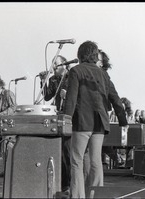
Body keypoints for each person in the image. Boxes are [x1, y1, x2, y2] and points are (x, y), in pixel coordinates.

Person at [63, 41, 128, 198]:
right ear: (94, 55)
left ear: (80, 54)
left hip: (82, 123)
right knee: (96, 161)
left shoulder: (76, 71)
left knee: (77, 162)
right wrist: (123, 121)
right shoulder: (103, 74)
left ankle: (78, 196)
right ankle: (97, 195)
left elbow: (71, 99)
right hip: (99, 124)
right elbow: (116, 99)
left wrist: (65, 120)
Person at [39, 55, 72, 193]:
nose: (53, 67)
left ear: (64, 64)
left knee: (67, 150)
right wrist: (43, 82)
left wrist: (68, 93)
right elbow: (47, 96)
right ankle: (62, 182)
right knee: (59, 149)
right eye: (53, 64)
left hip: (69, 116)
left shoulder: (71, 76)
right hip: (58, 115)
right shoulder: (53, 79)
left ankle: (70, 182)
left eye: (56, 64)